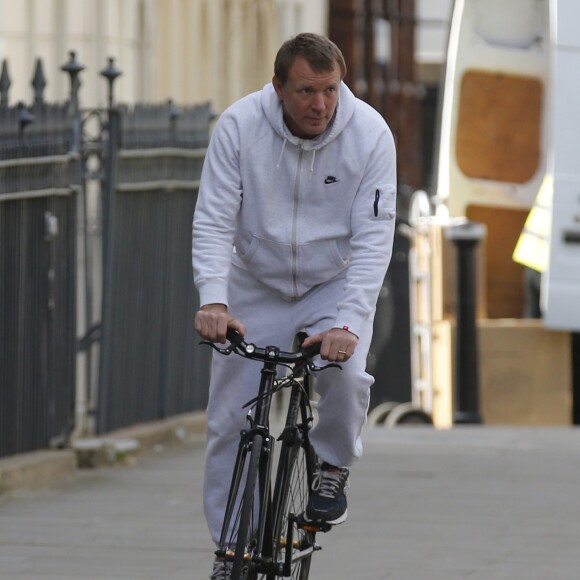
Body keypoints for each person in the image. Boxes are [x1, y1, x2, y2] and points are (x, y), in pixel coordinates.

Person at [192, 32, 397, 578]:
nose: (320, 105)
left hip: (333, 283)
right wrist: (214, 300)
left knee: (348, 377)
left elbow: (376, 237)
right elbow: (213, 219)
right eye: (306, 90)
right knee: (228, 420)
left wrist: (349, 322)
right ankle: (231, 550)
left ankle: (331, 465)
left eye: (330, 89)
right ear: (278, 86)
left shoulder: (371, 134)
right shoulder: (239, 126)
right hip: (255, 282)